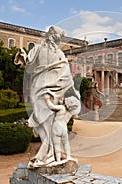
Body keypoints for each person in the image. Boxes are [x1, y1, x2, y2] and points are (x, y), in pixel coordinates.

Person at [14, 26, 80, 168]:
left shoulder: (60, 53)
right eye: (58, 36)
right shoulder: (37, 48)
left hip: (54, 89)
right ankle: (49, 153)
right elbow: (30, 66)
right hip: (38, 87)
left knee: (50, 120)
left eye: (61, 37)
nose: (59, 39)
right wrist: (24, 57)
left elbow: (67, 73)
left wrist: (73, 90)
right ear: (51, 35)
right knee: (40, 118)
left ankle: (48, 153)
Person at [46, 95, 80, 162]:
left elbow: (51, 107)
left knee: (57, 144)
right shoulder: (69, 113)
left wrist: (48, 99)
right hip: (64, 127)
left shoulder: (61, 108)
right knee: (66, 143)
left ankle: (58, 160)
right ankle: (68, 156)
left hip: (57, 127)